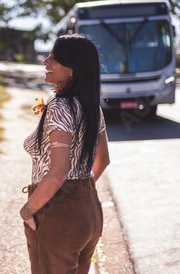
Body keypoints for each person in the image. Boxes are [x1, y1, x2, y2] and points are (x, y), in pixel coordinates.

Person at [21, 34, 111, 274]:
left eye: (54, 58)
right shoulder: (90, 105)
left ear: (72, 70)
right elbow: (103, 160)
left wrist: (28, 209)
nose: (46, 62)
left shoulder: (60, 106)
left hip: (58, 217)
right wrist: (79, 193)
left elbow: (58, 173)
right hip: (89, 210)